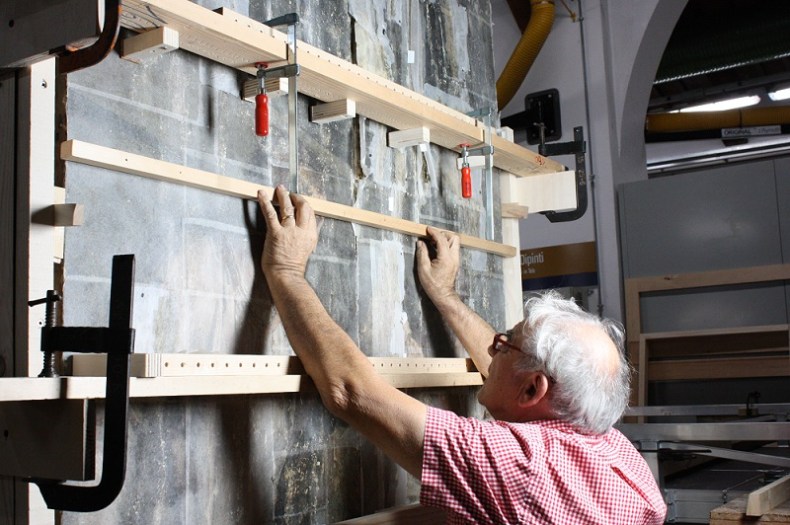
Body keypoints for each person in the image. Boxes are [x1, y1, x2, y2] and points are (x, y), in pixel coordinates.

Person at [257, 185, 667, 524]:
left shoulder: (519, 464)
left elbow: (351, 391)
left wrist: (287, 270)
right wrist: (446, 297)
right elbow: (517, 374)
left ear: (532, 390)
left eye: (506, 344)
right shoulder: (612, 449)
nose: (493, 346)